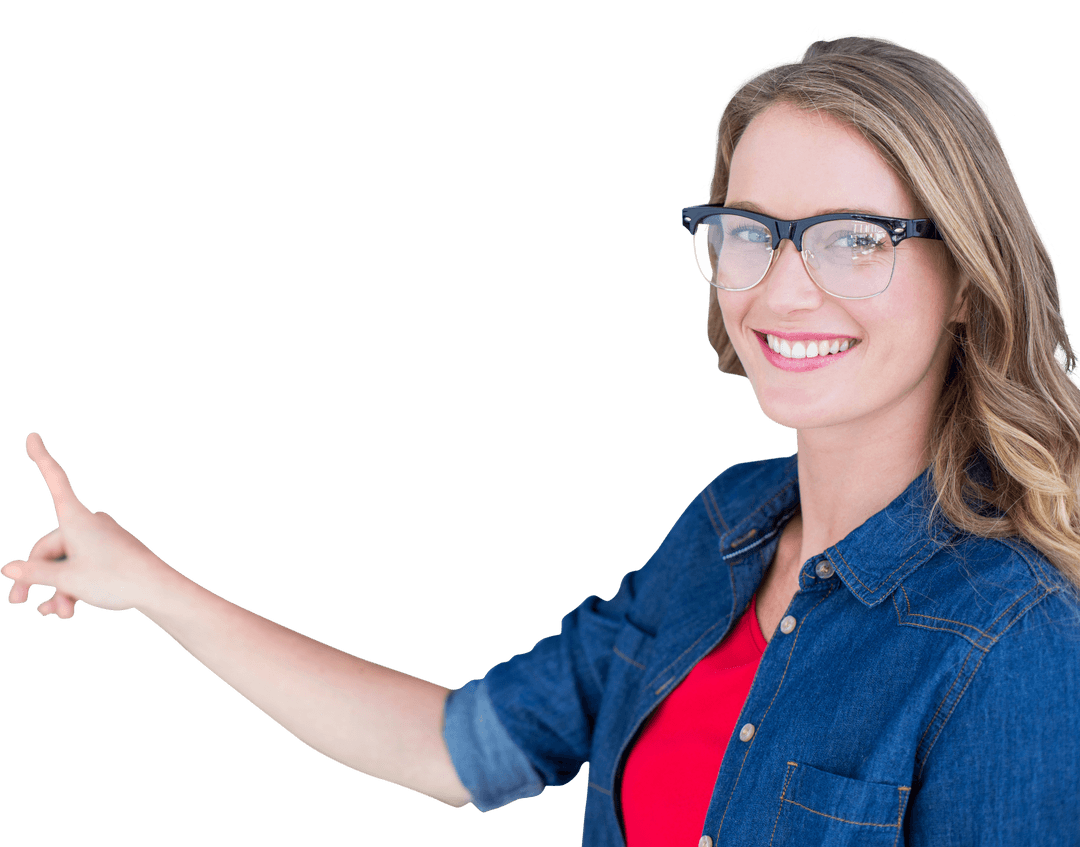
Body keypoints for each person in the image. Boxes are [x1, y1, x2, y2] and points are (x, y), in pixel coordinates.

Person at [5, 31, 1080, 845]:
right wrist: (152, 586)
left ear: (965, 280)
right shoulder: (722, 537)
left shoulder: (1017, 642)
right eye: (749, 233)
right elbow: (454, 745)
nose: (783, 289)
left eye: (852, 240)